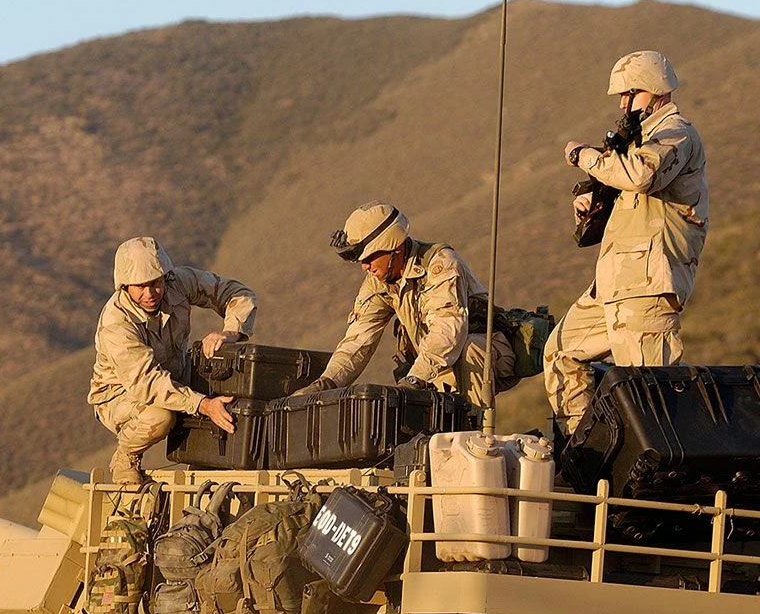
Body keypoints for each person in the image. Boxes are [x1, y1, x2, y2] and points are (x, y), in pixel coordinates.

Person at [545, 50, 709, 438]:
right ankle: (585, 449)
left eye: (629, 93)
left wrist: (583, 155)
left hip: (648, 285)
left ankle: (662, 471)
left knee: (651, 396)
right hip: (615, 284)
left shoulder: (676, 133)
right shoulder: (638, 145)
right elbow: (628, 203)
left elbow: (641, 176)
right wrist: (592, 204)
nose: (623, 104)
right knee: (560, 352)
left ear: (655, 89)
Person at [295, 201, 516, 408]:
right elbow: (359, 340)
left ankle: (478, 428)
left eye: (369, 258)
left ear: (393, 247)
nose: (365, 267)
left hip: (490, 354)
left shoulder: (441, 264)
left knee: (469, 349)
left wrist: (415, 379)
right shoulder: (378, 283)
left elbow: (448, 331)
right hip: (437, 365)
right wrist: (326, 383)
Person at [88, 236, 257, 483]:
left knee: (236, 387)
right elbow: (147, 384)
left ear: (165, 277)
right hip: (121, 394)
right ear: (124, 286)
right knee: (161, 417)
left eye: (155, 283)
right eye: (140, 286)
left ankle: (210, 458)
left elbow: (238, 294)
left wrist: (230, 332)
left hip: (176, 374)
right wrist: (203, 405)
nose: (150, 294)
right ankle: (126, 455)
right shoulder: (117, 324)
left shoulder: (179, 282)